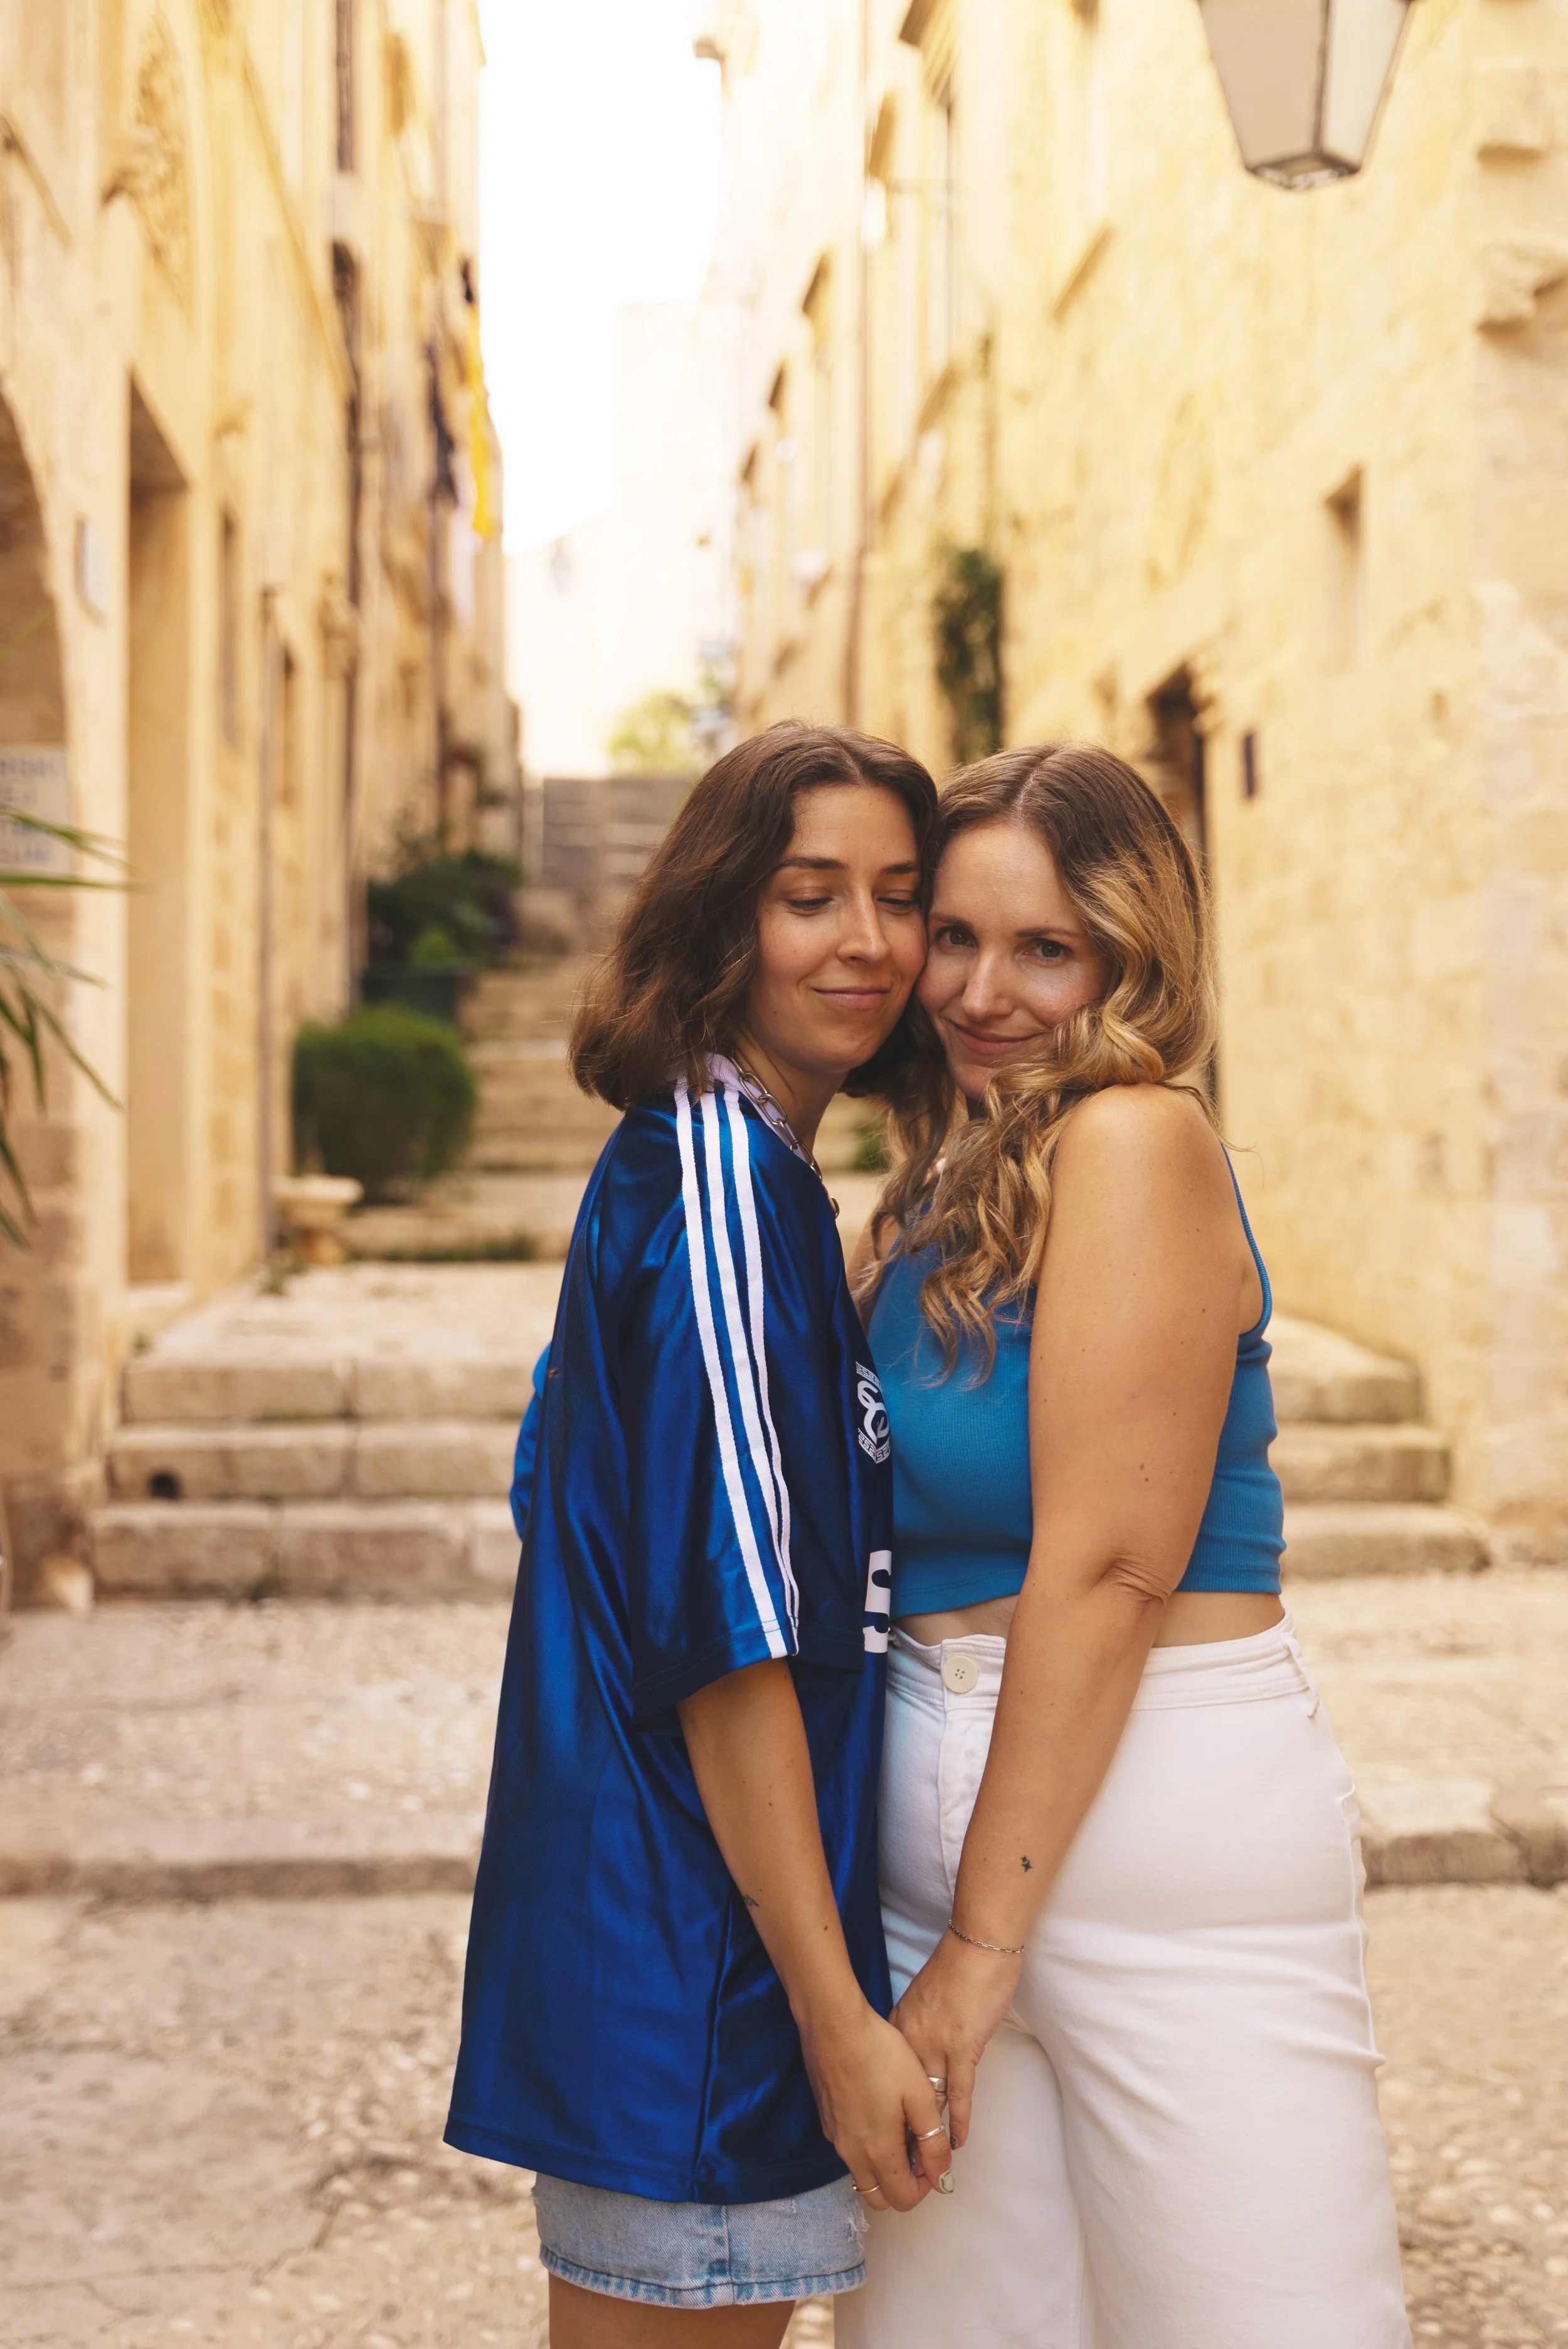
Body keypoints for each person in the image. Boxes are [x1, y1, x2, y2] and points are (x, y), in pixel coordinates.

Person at [839, 743, 1411, 2348]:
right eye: (955, 937)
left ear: (1130, 956)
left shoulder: (1136, 1139)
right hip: (941, 1824)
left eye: (1045, 948)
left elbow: (1108, 1565)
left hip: (1156, 1813)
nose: (982, 992)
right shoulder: (934, 1195)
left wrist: (980, 1944)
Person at [447, 723, 953, 2348]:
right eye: (810, 896)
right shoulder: (720, 1182)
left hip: (672, 1956)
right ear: (723, 914)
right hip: (702, 1987)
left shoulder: (732, 1170)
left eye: (899, 896)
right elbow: (727, 1639)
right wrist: (831, 2015)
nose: (866, 942)